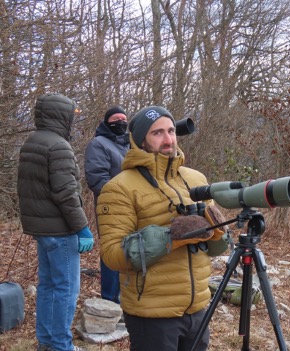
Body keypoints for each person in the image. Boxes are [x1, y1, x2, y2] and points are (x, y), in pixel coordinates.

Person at [96, 106, 229, 351]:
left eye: (170, 131)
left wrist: (218, 233)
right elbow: (112, 255)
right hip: (152, 313)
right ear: (140, 141)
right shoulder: (119, 188)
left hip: (198, 306)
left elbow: (214, 250)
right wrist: (172, 237)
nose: (168, 139)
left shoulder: (196, 179)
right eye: (157, 133)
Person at [17, 93, 94, 351]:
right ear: (62, 115)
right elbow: (66, 193)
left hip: (43, 230)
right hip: (60, 230)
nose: (74, 119)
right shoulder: (58, 145)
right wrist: (82, 227)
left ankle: (47, 342)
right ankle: (61, 345)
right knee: (66, 289)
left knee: (49, 285)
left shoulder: (33, 141)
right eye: (73, 114)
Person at [84, 106, 130, 304]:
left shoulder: (130, 145)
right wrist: (122, 197)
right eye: (116, 119)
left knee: (131, 251)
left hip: (133, 209)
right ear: (107, 122)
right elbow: (96, 179)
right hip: (111, 208)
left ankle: (127, 299)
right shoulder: (98, 144)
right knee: (112, 253)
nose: (120, 122)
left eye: (123, 118)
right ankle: (110, 301)